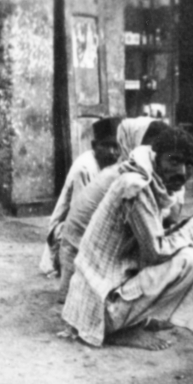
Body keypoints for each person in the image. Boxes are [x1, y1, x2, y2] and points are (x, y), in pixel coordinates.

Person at [62, 127, 193, 350]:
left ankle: (134, 319)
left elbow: (152, 238)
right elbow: (155, 251)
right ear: (156, 158)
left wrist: (189, 226)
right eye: (174, 161)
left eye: (189, 164)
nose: (182, 172)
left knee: (184, 252)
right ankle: (122, 329)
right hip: (100, 305)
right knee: (189, 260)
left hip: (101, 292)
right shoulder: (137, 186)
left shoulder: (145, 176)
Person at [56, 118, 173, 301]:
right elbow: (151, 242)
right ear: (134, 143)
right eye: (149, 147)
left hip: (83, 255)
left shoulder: (122, 169)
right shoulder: (128, 178)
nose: (153, 154)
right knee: (163, 253)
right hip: (84, 262)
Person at [39, 117, 121, 276]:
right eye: (106, 145)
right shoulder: (85, 168)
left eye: (116, 146)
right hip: (69, 231)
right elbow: (80, 217)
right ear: (94, 146)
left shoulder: (112, 166)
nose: (112, 152)